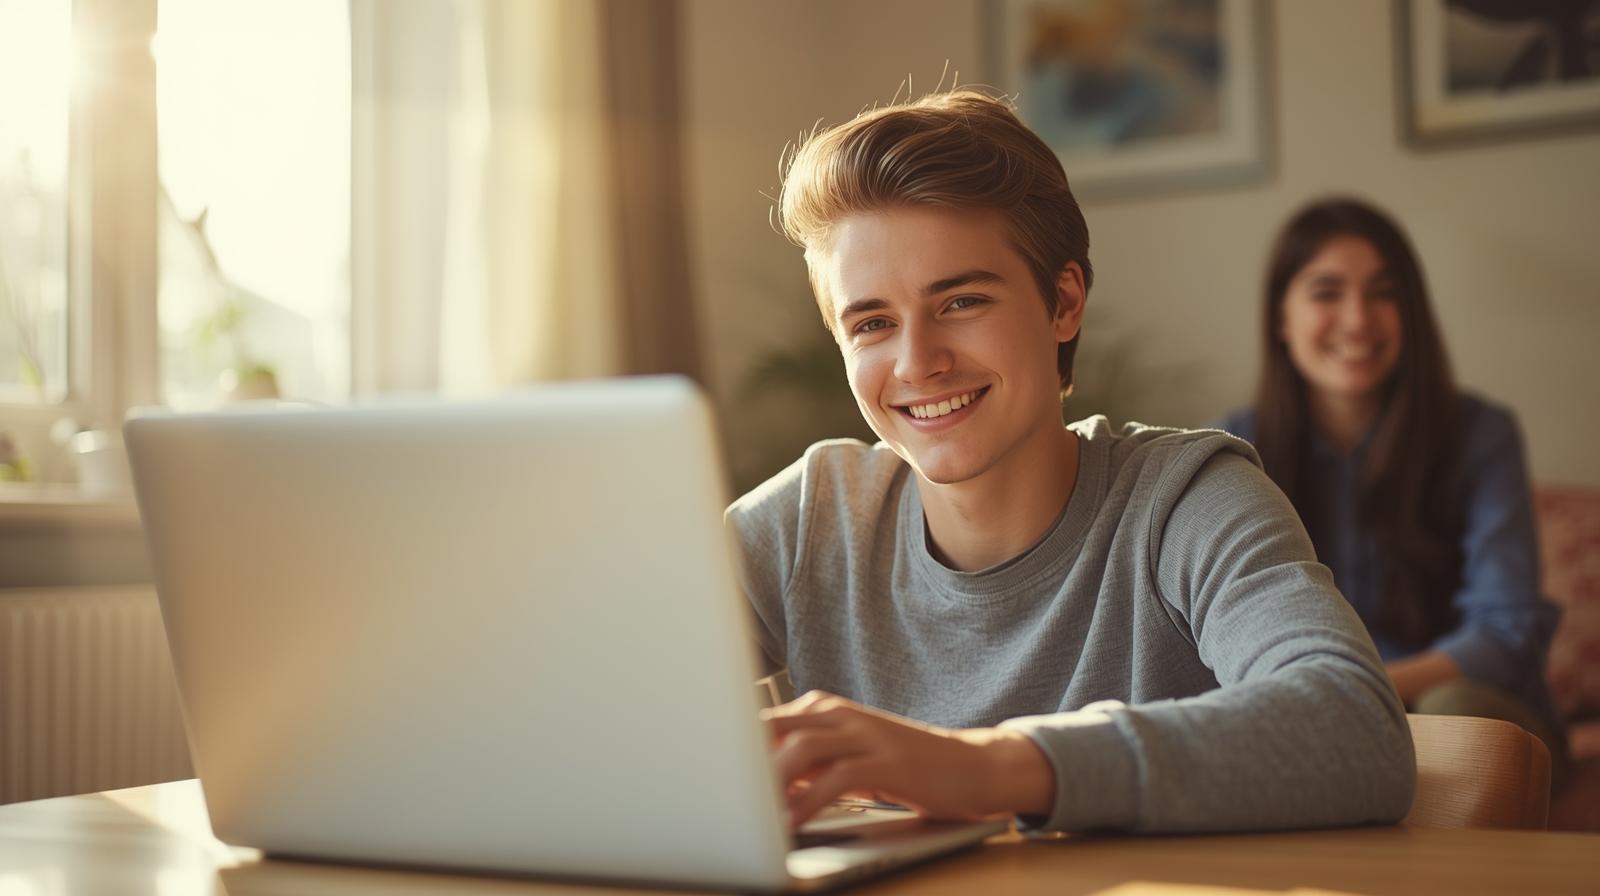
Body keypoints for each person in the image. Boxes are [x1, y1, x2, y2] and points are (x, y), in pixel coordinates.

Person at [725, 89, 1415, 835]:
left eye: (960, 302)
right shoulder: (806, 521)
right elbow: (599, 697)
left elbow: (1358, 730)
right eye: (873, 323)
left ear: (1063, 302)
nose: (917, 362)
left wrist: (989, 768)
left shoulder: (1184, 502)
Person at [1215, 197, 1566, 780]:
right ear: (1282, 318)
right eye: (1327, 292)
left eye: (1383, 293)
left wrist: (1357, 688)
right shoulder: (1234, 446)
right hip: (1312, 716)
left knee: (1448, 715)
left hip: (1477, 710)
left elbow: (1506, 632)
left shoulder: (1482, 435)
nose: (1358, 319)